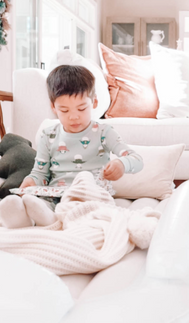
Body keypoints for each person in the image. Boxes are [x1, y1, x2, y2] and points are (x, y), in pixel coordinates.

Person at [0, 65, 144, 229]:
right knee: (40, 203)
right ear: (53, 107)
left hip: (92, 196)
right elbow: (40, 172)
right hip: (57, 198)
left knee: (94, 210)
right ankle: (28, 218)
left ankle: (53, 220)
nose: (74, 116)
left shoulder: (104, 132)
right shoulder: (48, 135)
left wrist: (122, 164)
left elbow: (137, 160)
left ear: (94, 102)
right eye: (64, 110)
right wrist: (31, 181)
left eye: (82, 108)